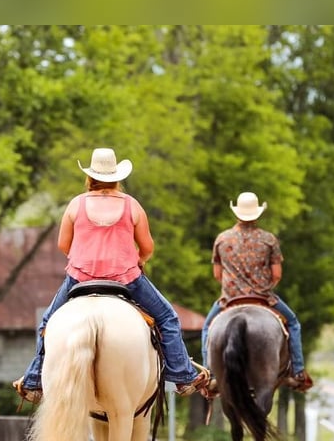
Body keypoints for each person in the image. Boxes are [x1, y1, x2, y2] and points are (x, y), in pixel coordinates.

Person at [13, 147, 215, 404]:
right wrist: (139, 259)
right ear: (117, 176)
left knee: (47, 324)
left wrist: (86, 258)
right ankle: (183, 376)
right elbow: (148, 247)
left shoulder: (76, 204)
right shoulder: (132, 205)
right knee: (167, 318)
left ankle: (33, 381)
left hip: (81, 277)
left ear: (90, 176)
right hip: (126, 277)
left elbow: (64, 245)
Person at [201, 191, 313, 392]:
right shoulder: (269, 240)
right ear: (258, 214)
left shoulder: (222, 239)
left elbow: (217, 274)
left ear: (236, 214)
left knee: (208, 327)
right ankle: (298, 372)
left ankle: (208, 375)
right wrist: (262, 286)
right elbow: (276, 274)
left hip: (230, 299)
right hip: (263, 298)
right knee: (294, 323)